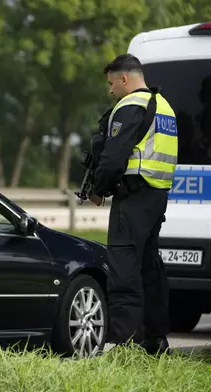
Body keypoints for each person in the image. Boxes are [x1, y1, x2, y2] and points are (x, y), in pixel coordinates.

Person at [89, 54, 178, 355]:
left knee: (124, 269)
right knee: (149, 268)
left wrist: (98, 189)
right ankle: (156, 340)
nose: (111, 91)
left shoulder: (130, 106)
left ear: (124, 79)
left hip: (134, 196)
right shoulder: (164, 106)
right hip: (157, 197)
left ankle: (125, 344)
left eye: (111, 83)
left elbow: (114, 157)